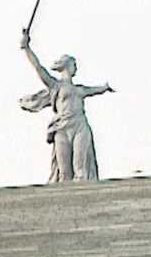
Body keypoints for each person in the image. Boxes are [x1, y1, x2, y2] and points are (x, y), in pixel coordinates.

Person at [19, 29, 114, 183]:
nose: (75, 67)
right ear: (66, 66)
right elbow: (39, 68)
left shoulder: (79, 89)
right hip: (62, 127)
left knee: (80, 170)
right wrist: (27, 48)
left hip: (79, 126)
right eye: (73, 64)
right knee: (64, 174)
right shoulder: (55, 86)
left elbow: (95, 90)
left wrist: (105, 87)